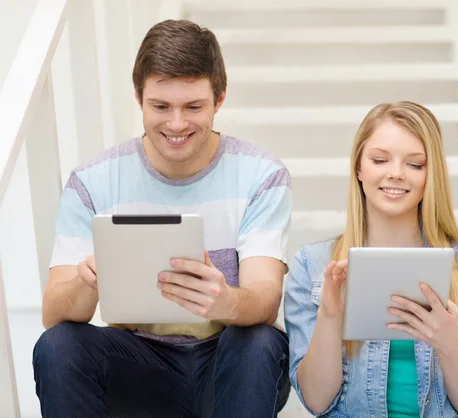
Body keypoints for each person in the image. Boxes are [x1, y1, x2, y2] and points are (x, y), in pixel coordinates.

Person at [33, 19, 291, 418]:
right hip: (139, 364)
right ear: (138, 98)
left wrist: (225, 301)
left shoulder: (261, 175)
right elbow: (54, 312)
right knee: (58, 345)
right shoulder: (94, 181)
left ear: (219, 99)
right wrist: (88, 285)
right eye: (160, 106)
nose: (176, 124)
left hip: (228, 362)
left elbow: (266, 299)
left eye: (193, 106)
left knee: (259, 340)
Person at [284, 101, 458, 418]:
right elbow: (316, 400)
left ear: (432, 176)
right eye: (379, 160)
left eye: (415, 164)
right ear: (359, 168)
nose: (396, 174)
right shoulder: (311, 266)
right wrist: (330, 316)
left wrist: (450, 343)